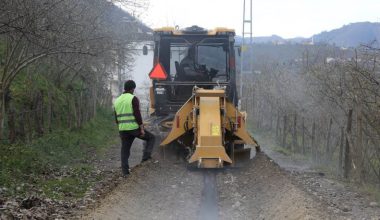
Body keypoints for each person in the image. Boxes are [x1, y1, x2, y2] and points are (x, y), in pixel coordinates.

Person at [113, 80, 155, 176]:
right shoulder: (133, 98)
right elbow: (137, 114)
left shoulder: (117, 100)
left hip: (123, 129)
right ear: (132, 89)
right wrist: (141, 128)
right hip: (134, 129)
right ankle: (146, 159)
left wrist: (121, 127)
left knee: (125, 150)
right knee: (151, 138)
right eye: (133, 89)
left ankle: (125, 172)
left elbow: (116, 118)